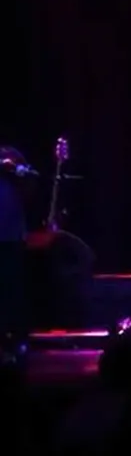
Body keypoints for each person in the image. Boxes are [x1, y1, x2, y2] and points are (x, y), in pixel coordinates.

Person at [0, 146, 31, 361]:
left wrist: (15, 168)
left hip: (10, 236)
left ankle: (15, 341)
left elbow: (32, 181)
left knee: (12, 291)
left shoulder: (10, 155)